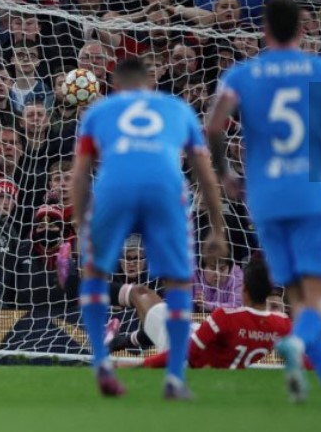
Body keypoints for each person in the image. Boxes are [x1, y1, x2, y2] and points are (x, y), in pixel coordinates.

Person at [71, 57, 226, 399]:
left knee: (94, 275)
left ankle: (101, 365)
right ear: (150, 84)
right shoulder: (176, 107)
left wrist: (81, 223)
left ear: (115, 86)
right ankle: (174, 378)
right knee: (178, 281)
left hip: (114, 189)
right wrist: (217, 226)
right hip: (166, 190)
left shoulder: (99, 111)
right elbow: (204, 170)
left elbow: (81, 173)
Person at [205, 0, 321, 402]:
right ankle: (295, 342)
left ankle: (316, 384)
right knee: (316, 295)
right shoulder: (319, 70)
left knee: (294, 292)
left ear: (264, 30)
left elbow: (214, 125)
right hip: (309, 190)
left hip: (264, 195)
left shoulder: (243, 74)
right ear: (302, 29)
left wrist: (225, 173)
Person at [133, 259, 292, 370]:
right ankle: (132, 338)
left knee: (140, 294)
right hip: (200, 336)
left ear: (244, 288)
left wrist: (139, 365)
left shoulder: (226, 317)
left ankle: (125, 336)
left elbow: (185, 351)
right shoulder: (283, 324)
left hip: (183, 350)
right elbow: (302, 357)